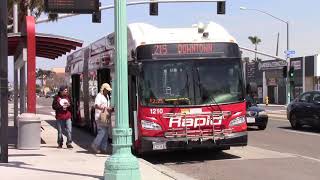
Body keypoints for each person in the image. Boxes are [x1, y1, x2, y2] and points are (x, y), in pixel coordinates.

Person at [91, 83, 113, 154]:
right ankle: (95, 145)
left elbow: (106, 106)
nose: (108, 91)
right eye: (107, 90)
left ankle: (103, 148)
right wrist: (103, 108)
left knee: (106, 133)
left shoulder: (107, 96)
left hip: (105, 117)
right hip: (99, 117)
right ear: (103, 89)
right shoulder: (99, 96)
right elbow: (96, 105)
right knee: (102, 132)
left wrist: (109, 109)